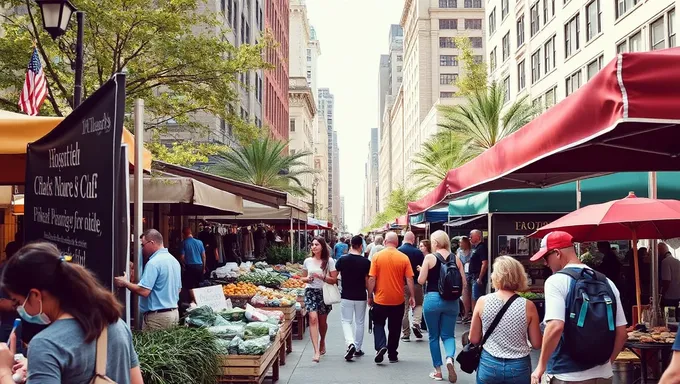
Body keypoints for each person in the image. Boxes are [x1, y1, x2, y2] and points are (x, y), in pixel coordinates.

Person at [0, 242, 143, 383]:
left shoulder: (46, 344)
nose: (18, 309)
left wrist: (4, 372)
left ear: (35, 295)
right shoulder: (116, 324)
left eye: (17, 302)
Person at [530, 231, 628, 384]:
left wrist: (540, 366)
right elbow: (622, 333)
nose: (545, 263)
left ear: (557, 253)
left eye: (545, 258)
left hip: (567, 374)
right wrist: (607, 363)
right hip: (604, 374)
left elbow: (555, 326)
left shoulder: (556, 281)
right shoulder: (607, 282)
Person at [469, 256, 542, 384]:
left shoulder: (482, 302)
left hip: (489, 363)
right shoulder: (528, 306)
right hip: (519, 366)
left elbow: (473, 339)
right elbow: (536, 344)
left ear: (495, 276)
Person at [418, 230, 466, 382]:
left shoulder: (429, 258)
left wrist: (423, 271)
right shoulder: (456, 259)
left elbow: (420, 280)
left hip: (432, 299)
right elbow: (463, 282)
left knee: (433, 336)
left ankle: (438, 371)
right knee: (448, 335)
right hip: (451, 301)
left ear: (435, 243)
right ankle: (450, 358)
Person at [116, 229, 182, 330]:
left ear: (152, 243)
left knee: (154, 345)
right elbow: (179, 289)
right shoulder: (174, 261)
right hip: (173, 314)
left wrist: (125, 283)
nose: (142, 248)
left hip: (157, 317)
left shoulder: (154, 263)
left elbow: (144, 291)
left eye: (143, 245)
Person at [368, 232, 415, 364]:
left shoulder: (377, 257)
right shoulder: (404, 258)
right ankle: (392, 354)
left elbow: (372, 278)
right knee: (394, 327)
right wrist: (412, 296)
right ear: (397, 243)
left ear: (385, 242)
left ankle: (381, 346)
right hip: (398, 299)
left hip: (380, 299)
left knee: (378, 324)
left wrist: (370, 294)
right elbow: (409, 279)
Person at [301, 237, 338, 363]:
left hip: (324, 292)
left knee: (322, 322)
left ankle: (322, 341)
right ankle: (316, 351)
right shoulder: (307, 261)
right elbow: (303, 278)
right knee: (312, 318)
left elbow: (334, 280)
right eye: (312, 244)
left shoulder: (330, 261)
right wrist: (308, 279)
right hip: (311, 291)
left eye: (316, 244)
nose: (314, 247)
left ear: (322, 246)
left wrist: (323, 277)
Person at [335, 235, 371, 361]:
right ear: (361, 246)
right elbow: (368, 280)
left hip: (346, 295)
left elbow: (336, 274)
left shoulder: (342, 259)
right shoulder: (366, 262)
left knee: (346, 321)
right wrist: (370, 295)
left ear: (351, 245)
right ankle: (357, 348)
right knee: (360, 322)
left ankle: (350, 343)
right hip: (361, 295)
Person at [398, 231, 425, 342]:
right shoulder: (418, 252)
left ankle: (406, 333)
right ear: (413, 240)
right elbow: (422, 268)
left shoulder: (398, 251)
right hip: (416, 283)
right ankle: (416, 322)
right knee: (418, 304)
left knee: (404, 310)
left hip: (402, 284)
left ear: (404, 239)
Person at [469, 229, 489, 312]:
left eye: (471, 236)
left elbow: (485, 263)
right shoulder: (476, 247)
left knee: (476, 298)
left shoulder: (481, 247)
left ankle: (477, 318)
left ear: (478, 237)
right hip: (474, 276)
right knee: (474, 297)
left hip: (478, 277)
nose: (469, 238)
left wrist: (480, 278)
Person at [660, 242, 680, 317]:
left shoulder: (665, 262)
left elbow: (666, 281)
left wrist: (662, 294)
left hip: (669, 296)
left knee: (669, 318)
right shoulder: (677, 261)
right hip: (677, 295)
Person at [457, 236, 473, 324]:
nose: (460, 244)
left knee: (472, 295)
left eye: (461, 242)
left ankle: (471, 313)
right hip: (463, 275)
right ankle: (466, 313)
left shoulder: (472, 251)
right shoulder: (459, 252)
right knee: (465, 294)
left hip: (471, 274)